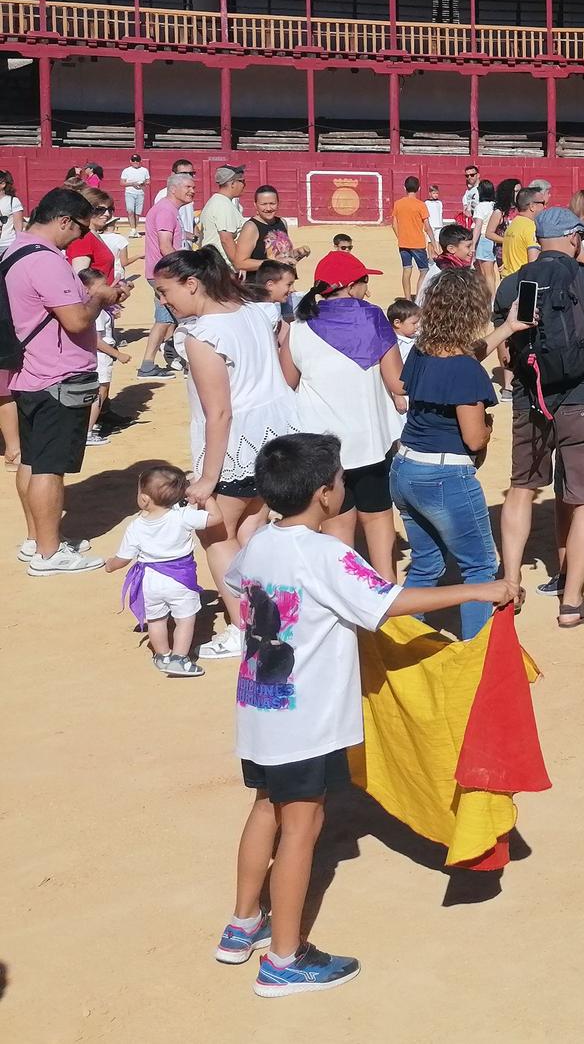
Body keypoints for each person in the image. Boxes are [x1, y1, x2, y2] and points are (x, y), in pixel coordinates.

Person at [217, 432, 519, 996]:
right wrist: (479, 588)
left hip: (260, 709)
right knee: (302, 829)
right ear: (324, 494)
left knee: (266, 810)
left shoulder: (257, 543)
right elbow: (388, 602)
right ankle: (284, 960)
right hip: (304, 723)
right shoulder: (326, 554)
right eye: (337, 480)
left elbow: (238, 588)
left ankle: (242, 924)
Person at [154, 246, 299, 659]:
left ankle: (246, 626)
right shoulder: (254, 308)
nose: (165, 301)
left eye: (166, 291)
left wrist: (207, 478)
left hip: (237, 446)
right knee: (251, 529)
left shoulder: (201, 336)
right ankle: (268, 613)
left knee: (215, 533)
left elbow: (218, 413)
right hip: (279, 434)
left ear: (192, 283)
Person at [493, 207, 584, 627]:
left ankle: (510, 587)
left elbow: (504, 355)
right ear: (574, 237)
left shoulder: (512, 284)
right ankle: (571, 603)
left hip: (530, 399)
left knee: (521, 489)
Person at [391, 269, 519, 641]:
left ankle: (406, 645)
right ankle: (477, 657)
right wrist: (490, 428)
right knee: (480, 569)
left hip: (406, 468)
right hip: (445, 477)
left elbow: (465, 355)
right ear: (471, 311)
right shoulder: (464, 370)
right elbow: (475, 437)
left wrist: (508, 329)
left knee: (426, 564)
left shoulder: (421, 351)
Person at [7, 188, 128, 574]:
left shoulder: (16, 249)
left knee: (33, 459)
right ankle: (48, 553)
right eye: (78, 229)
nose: (79, 238)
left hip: (29, 371)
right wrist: (101, 296)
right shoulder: (46, 261)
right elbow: (76, 320)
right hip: (55, 374)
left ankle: (36, 540)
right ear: (63, 220)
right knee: (49, 466)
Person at [286, 252, 405, 580]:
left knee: (337, 525)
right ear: (352, 286)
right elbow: (397, 381)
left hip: (321, 444)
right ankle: (386, 589)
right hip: (369, 439)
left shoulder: (297, 323)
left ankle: (346, 594)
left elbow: (288, 382)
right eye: (364, 282)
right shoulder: (372, 317)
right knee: (379, 518)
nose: (367, 289)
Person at [102, 463, 209, 675]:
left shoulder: (136, 526)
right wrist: (209, 499)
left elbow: (123, 559)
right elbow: (216, 519)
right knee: (184, 620)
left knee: (156, 620)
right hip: (181, 580)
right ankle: (179, 658)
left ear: (144, 499)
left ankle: (162, 655)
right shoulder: (183, 516)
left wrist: (109, 565)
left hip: (150, 580)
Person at [136, 171, 196, 376]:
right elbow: (165, 246)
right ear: (173, 189)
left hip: (160, 273)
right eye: (188, 187)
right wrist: (185, 267)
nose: (192, 191)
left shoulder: (166, 209)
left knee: (165, 319)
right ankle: (189, 361)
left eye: (193, 187)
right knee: (188, 315)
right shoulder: (166, 210)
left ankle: (148, 364)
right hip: (167, 273)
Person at [78, 267, 129, 445]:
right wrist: (118, 354)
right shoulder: (96, 311)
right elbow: (96, 340)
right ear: (87, 289)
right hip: (101, 355)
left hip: (102, 354)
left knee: (100, 391)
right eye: (102, 286)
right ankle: (88, 431)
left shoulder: (95, 307)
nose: (106, 289)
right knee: (100, 392)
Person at [200, 165, 256, 271]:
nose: (244, 185)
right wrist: (239, 264)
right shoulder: (223, 205)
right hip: (222, 267)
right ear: (233, 183)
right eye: (242, 181)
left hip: (215, 264)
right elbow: (226, 239)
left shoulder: (218, 202)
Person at [390, 177, 434, 298]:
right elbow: (427, 227)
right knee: (424, 270)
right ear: (419, 188)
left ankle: (408, 298)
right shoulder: (421, 205)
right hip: (418, 243)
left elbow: (394, 224)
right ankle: (419, 297)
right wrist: (434, 244)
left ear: (404, 188)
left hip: (403, 243)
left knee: (406, 269)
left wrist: (401, 237)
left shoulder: (398, 204)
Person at [246, 185, 309, 268]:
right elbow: (241, 263)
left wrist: (298, 253)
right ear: (255, 205)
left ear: (278, 203)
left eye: (272, 203)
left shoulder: (282, 222)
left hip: (282, 278)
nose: (268, 208)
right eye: (263, 204)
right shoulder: (251, 227)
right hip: (260, 280)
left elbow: (284, 257)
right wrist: (276, 263)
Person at [416, 223, 475, 302]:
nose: (472, 250)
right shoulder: (440, 273)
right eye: (468, 246)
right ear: (451, 249)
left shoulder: (460, 267)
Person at [498, 183, 543, 277]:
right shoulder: (531, 227)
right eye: (542, 203)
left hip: (507, 279)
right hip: (520, 282)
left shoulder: (513, 224)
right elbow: (533, 263)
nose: (545, 207)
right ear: (532, 206)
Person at [471, 178, 499, 290]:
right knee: (489, 272)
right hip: (493, 239)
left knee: (486, 273)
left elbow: (478, 227)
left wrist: (472, 245)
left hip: (483, 240)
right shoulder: (495, 205)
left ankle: (490, 300)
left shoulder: (481, 206)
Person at [119, 154, 150, 224]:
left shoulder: (144, 170)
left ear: (140, 161)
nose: (135, 162)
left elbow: (148, 181)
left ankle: (135, 229)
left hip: (140, 193)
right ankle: (133, 229)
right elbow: (122, 183)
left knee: (137, 213)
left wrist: (143, 183)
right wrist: (132, 184)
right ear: (130, 161)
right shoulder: (126, 170)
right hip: (130, 193)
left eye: (137, 160)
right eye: (133, 160)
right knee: (130, 211)